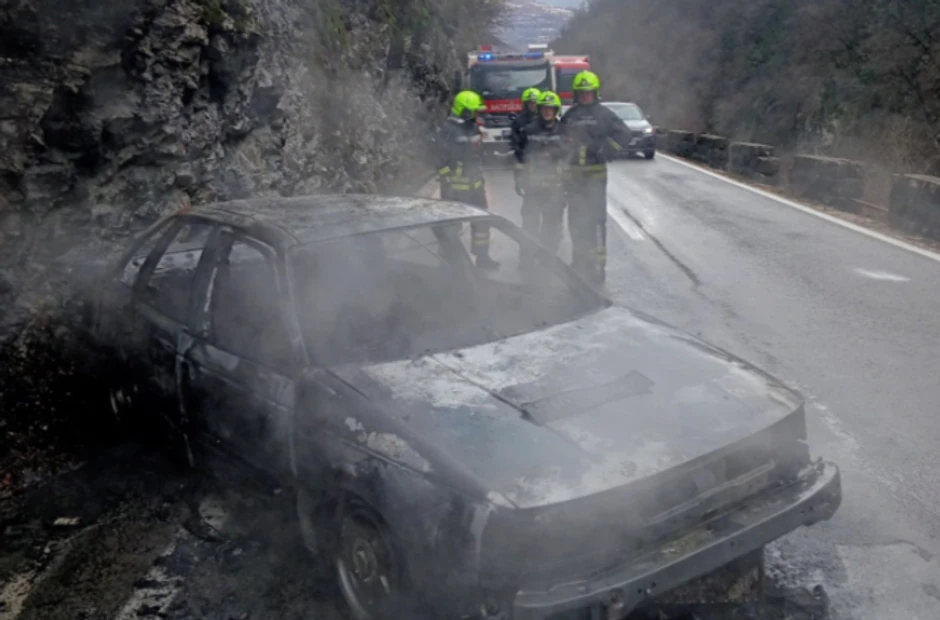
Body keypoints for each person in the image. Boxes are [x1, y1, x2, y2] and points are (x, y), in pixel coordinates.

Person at [560, 70, 632, 285]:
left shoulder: (604, 114)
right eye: (581, 93)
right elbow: (558, 139)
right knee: (575, 222)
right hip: (574, 180)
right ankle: (579, 260)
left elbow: (625, 134)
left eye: (588, 92)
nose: (585, 96)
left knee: (596, 222)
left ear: (595, 93)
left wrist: (607, 150)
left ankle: (598, 266)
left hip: (595, 180)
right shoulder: (570, 116)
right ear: (576, 94)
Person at [437, 90, 499, 270]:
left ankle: (482, 257)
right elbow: (436, 155)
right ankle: (450, 262)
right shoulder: (447, 130)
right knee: (451, 226)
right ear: (464, 110)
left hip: (476, 186)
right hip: (454, 189)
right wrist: (446, 173)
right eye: (474, 111)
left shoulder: (473, 126)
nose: (477, 114)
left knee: (481, 223)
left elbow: (476, 151)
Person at [514, 90, 567, 267]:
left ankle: (548, 259)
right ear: (539, 110)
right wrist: (518, 179)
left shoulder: (564, 131)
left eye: (550, 109)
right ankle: (526, 260)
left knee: (552, 226)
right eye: (544, 109)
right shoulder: (528, 130)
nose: (547, 112)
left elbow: (570, 157)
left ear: (556, 110)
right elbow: (519, 157)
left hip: (556, 187)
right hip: (533, 187)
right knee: (529, 224)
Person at [510, 87, 542, 176]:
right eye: (530, 103)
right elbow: (515, 141)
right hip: (524, 158)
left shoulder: (546, 120)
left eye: (535, 102)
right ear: (525, 104)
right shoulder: (518, 121)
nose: (533, 105)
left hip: (542, 157)